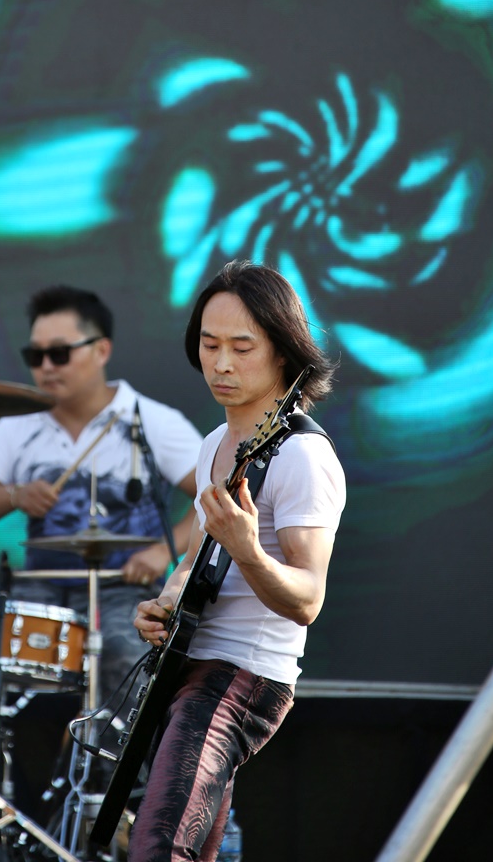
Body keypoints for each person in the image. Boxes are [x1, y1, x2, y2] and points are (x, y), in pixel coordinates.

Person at [0, 285, 202, 823]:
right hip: (40, 591)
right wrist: (13, 495)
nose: (46, 366)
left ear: (101, 350)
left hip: (124, 590)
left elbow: (213, 496)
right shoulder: (18, 426)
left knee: (122, 653)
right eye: (35, 355)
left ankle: (108, 813)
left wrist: (161, 551)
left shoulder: (150, 420)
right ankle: (3, 821)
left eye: (60, 353)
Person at [128, 259, 346, 862]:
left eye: (242, 347)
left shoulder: (303, 455)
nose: (221, 363)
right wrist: (165, 603)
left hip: (245, 676)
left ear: (282, 351)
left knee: (159, 844)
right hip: (193, 666)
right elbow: (195, 559)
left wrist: (248, 549)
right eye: (209, 345)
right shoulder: (214, 446)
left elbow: (307, 599)